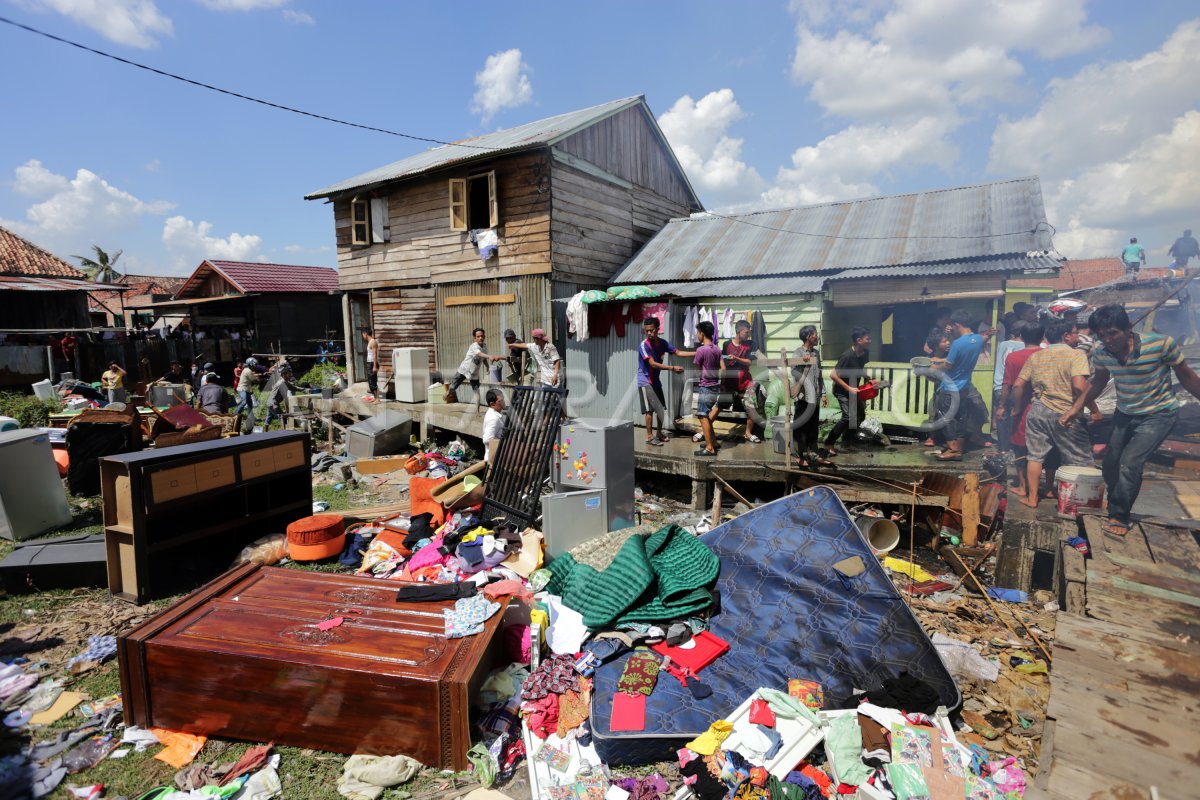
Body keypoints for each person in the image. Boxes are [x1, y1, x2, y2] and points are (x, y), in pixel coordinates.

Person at [1062, 304, 1200, 536]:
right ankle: (1117, 501)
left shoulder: (1161, 344)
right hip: (1125, 413)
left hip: (1159, 413)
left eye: (1113, 333)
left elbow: (1187, 376)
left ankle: (1119, 515)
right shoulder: (1102, 353)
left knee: (1130, 462)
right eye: (1102, 335)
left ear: (1128, 328)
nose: (1108, 339)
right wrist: (1076, 408)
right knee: (1110, 463)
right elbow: (1097, 382)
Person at [1009, 320, 1098, 508]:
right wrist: (1095, 410)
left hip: (1038, 411)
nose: (1077, 336)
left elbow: (1018, 385)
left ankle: (1032, 499)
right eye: (1074, 332)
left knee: (1035, 456)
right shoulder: (1076, 355)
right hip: (1066, 413)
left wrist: (1016, 409)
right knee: (1081, 458)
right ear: (1066, 336)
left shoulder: (1036, 357)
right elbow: (1080, 386)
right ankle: (1086, 502)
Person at [929, 310, 988, 461]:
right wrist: (939, 361)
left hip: (950, 387)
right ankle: (959, 448)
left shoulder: (957, 343)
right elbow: (958, 358)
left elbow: (949, 365)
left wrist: (933, 367)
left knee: (946, 417)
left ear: (957, 325)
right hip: (965, 387)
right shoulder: (978, 339)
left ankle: (953, 449)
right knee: (962, 417)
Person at [996, 322, 1044, 498]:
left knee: (1020, 447)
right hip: (1044, 406)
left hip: (1021, 408)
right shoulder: (1046, 355)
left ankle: (1024, 487)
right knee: (1041, 449)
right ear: (1042, 336)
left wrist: (1001, 406)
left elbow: (1008, 385)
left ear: (1021, 337)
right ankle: (1044, 488)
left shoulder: (1014, 358)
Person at [823, 327, 872, 457]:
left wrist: (868, 379)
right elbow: (833, 375)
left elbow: (860, 368)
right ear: (859, 340)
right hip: (841, 391)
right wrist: (849, 388)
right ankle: (829, 442)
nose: (870, 341)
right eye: (868, 339)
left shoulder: (865, 353)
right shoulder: (846, 356)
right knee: (848, 417)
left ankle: (847, 441)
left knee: (860, 415)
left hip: (854, 390)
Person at [637, 317, 682, 447]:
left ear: (658, 329)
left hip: (655, 381)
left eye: (652, 330)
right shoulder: (644, 345)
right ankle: (650, 437)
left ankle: (659, 434)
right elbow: (653, 364)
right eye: (647, 331)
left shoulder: (663, 343)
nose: (649, 333)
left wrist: (697, 352)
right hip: (645, 381)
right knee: (649, 410)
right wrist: (672, 368)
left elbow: (677, 352)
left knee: (661, 409)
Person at [790, 325, 828, 467]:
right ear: (808, 337)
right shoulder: (798, 353)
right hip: (803, 396)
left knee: (813, 426)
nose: (817, 337)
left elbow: (820, 375)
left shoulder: (817, 353)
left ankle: (812, 452)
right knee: (800, 426)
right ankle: (797, 454)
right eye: (815, 334)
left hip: (815, 396)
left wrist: (823, 394)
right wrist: (802, 363)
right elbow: (793, 372)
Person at [720, 320, 761, 443]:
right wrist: (722, 382)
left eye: (749, 332)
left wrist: (736, 358)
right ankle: (706, 429)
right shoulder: (726, 345)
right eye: (746, 332)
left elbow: (749, 362)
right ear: (738, 331)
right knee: (718, 407)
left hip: (746, 381)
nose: (748, 335)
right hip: (729, 381)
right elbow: (723, 363)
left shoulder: (751, 344)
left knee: (751, 407)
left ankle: (748, 433)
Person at [686, 320, 722, 458]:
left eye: (697, 332)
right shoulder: (717, 349)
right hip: (715, 386)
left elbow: (698, 370)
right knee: (706, 414)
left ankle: (709, 448)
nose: (697, 335)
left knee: (702, 415)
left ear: (702, 333)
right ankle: (713, 442)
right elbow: (722, 368)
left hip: (706, 386)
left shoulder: (701, 350)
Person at [992, 321, 1025, 452]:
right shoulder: (1026, 346)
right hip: (1016, 387)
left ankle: (1003, 449)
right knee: (1016, 417)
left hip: (999, 386)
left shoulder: (1003, 345)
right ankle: (1015, 448)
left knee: (1002, 419)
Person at [447, 328, 504, 401]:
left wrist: (487, 366)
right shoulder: (474, 346)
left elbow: (483, 357)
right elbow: (479, 354)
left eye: (482, 336)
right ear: (474, 338)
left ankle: (477, 411)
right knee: (452, 388)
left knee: (477, 392)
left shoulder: (484, 346)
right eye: (478, 336)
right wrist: (489, 356)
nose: (481, 338)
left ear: (484, 336)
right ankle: (446, 395)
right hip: (464, 370)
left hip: (474, 373)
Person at [481, 388, 506, 462]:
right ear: (492, 404)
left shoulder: (496, 414)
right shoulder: (493, 418)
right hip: (493, 459)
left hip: (497, 457)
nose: (503, 402)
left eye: (503, 399)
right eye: (500, 401)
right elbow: (486, 440)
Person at [360, 327, 380, 402]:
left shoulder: (373, 342)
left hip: (372, 363)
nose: (363, 336)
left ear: (365, 334)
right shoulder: (370, 342)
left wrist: (374, 366)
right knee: (371, 381)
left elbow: (375, 355)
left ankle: (377, 399)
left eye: (363, 334)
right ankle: (375, 398)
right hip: (370, 363)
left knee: (373, 381)